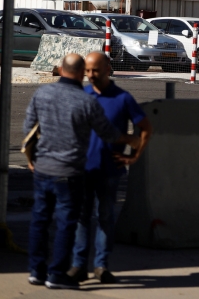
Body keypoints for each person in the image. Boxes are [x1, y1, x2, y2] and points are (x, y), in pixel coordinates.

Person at [24, 53, 140, 290]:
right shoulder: (85, 101)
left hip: (42, 170)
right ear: (80, 73)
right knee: (68, 222)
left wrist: (31, 160)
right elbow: (108, 133)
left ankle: (36, 271)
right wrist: (131, 140)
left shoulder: (42, 93)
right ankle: (56, 274)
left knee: (40, 220)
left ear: (60, 69)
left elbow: (29, 132)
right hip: (69, 173)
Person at [68, 52, 152, 285]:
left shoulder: (123, 98)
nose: (91, 75)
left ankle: (101, 266)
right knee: (81, 218)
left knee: (105, 217)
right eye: (87, 71)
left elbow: (145, 128)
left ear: (108, 69)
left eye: (95, 70)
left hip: (110, 171)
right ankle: (78, 266)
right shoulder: (81, 95)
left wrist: (135, 155)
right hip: (82, 170)